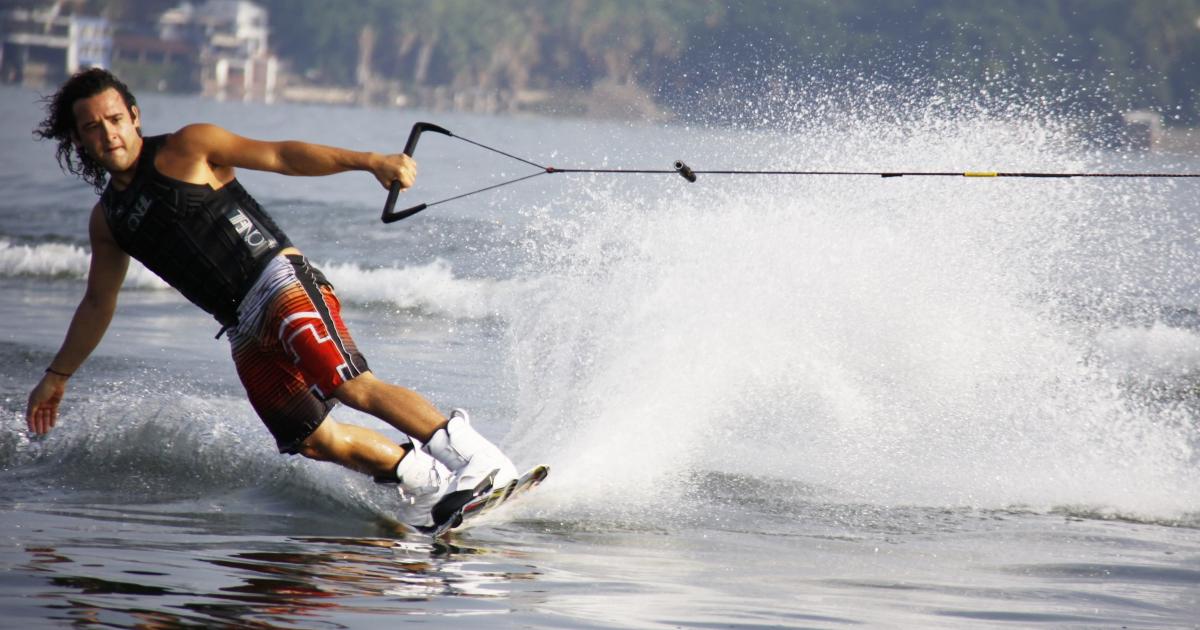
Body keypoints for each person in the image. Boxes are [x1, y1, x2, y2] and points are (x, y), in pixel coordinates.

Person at [24, 68, 516, 530]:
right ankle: (429, 483)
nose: (108, 134)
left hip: (279, 281)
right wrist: (57, 376)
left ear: (134, 116)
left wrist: (370, 163)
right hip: (241, 327)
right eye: (92, 127)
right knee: (314, 440)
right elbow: (97, 302)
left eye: (115, 120)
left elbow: (282, 156)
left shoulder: (189, 146)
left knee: (348, 384)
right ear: (79, 140)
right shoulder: (108, 220)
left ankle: (477, 459)